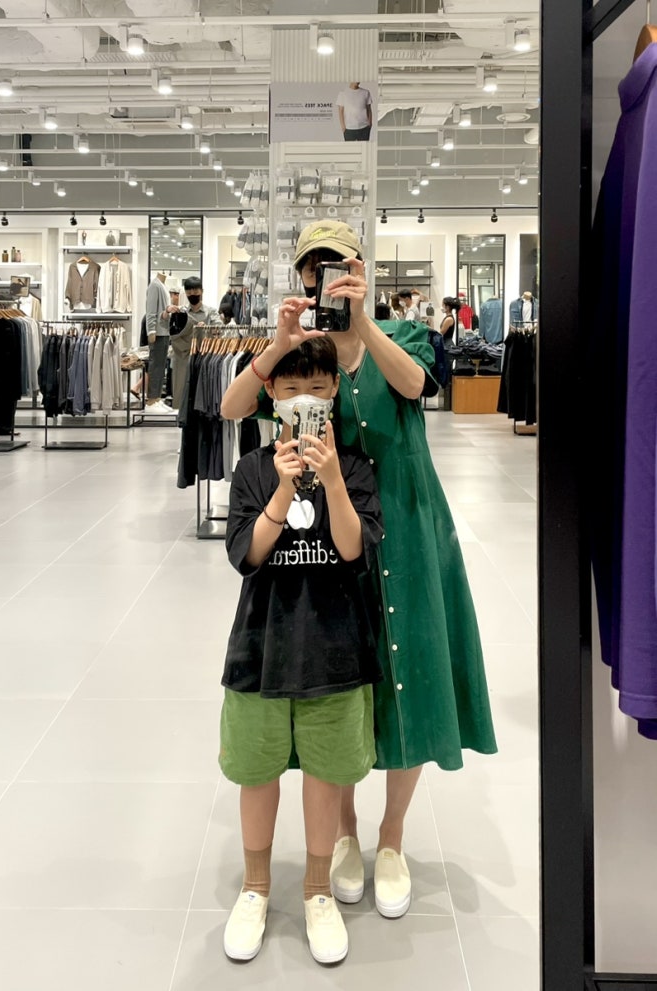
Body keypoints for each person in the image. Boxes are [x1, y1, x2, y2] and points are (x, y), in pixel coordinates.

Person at [220, 218, 496, 922]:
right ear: (302, 277)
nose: (326, 277)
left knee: (412, 673)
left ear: (360, 269)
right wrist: (279, 343)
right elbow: (234, 408)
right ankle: (342, 830)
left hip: (407, 523)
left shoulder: (400, 334)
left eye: (338, 263)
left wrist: (365, 322)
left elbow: (416, 385)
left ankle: (392, 836)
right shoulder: (303, 349)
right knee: (344, 677)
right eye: (313, 267)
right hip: (336, 535)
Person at [220, 336, 384, 964]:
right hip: (259, 647)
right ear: (271, 396)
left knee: (325, 772)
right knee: (256, 771)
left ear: (334, 391)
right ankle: (255, 887)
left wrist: (333, 480)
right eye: (290, 391)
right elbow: (247, 555)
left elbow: (352, 549)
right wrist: (284, 491)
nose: (304, 400)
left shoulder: (357, 467)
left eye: (316, 388)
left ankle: (318, 890)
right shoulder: (252, 469)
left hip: (334, 649)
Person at [169, 276, 222, 411]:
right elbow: (168, 328)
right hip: (183, 357)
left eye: (196, 292)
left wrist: (207, 328)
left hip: (204, 356)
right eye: (189, 292)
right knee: (182, 392)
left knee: (202, 392)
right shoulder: (181, 313)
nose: (192, 295)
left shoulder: (210, 312)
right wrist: (166, 311)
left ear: (201, 291)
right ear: (185, 293)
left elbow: (219, 328)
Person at [144, 271, 176, 413]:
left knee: (160, 366)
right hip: (157, 332)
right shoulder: (154, 286)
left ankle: (156, 398)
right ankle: (151, 401)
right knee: (155, 366)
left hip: (164, 331)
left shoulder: (162, 285)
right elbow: (151, 310)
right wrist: (151, 330)